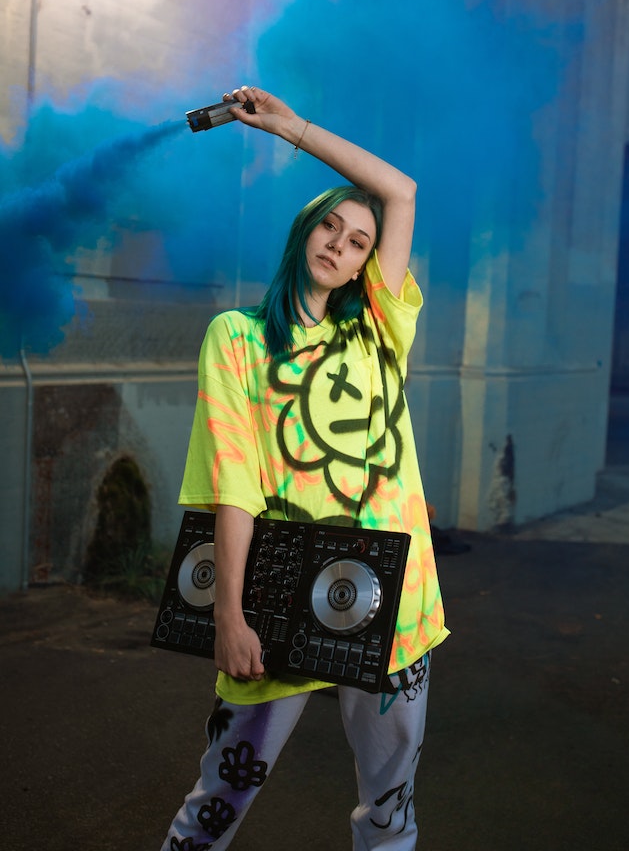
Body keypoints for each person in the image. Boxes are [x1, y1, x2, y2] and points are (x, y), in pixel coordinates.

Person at [161, 85, 449, 851]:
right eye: (329, 224)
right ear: (303, 233)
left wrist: (291, 129)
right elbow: (234, 483)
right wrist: (229, 612)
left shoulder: (381, 332)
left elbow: (401, 191)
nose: (341, 244)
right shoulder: (239, 338)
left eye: (359, 241)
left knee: (389, 813)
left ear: (365, 266)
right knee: (217, 799)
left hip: (394, 602)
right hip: (279, 594)